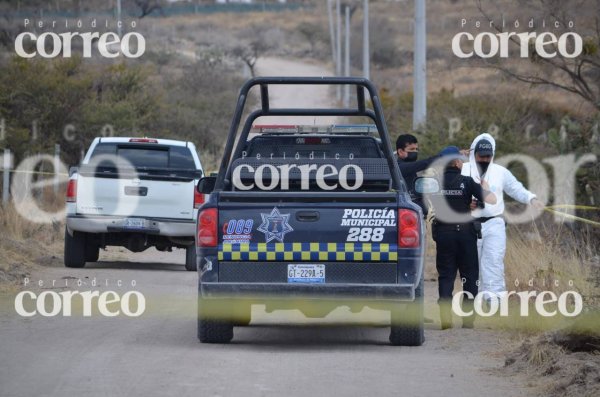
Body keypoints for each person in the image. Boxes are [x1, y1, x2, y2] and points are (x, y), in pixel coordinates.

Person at [461, 133, 543, 304]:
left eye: (488, 155)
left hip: (494, 223)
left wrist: (532, 199)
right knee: (472, 265)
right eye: (481, 155)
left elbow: (516, 189)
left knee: (494, 262)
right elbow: (452, 192)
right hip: (469, 225)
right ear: (474, 152)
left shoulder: (500, 172)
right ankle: (474, 300)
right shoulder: (463, 169)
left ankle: (495, 300)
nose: (484, 158)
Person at [429, 146, 497, 329]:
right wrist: (483, 189)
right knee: (469, 276)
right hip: (466, 234)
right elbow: (491, 200)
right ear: (458, 163)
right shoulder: (467, 182)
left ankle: (446, 320)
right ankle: (468, 321)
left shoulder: (434, 182)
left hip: (444, 233)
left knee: (446, 277)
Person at [396, 134, 442, 216]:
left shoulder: (412, 169)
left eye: (416, 149)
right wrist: (443, 156)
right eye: (411, 149)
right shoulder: (398, 168)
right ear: (400, 151)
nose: (415, 152)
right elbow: (423, 164)